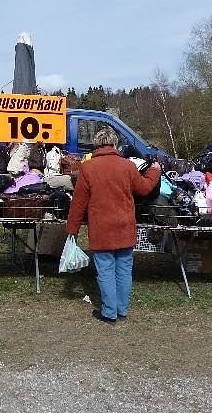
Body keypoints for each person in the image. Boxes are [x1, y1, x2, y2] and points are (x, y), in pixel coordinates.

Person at [65, 127, 161, 324]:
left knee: (106, 270)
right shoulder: (127, 166)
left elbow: (79, 202)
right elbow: (144, 189)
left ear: (96, 145)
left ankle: (110, 312)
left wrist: (72, 230)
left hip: (102, 228)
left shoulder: (88, 167)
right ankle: (121, 309)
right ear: (115, 144)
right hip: (125, 225)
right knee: (124, 269)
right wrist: (154, 171)